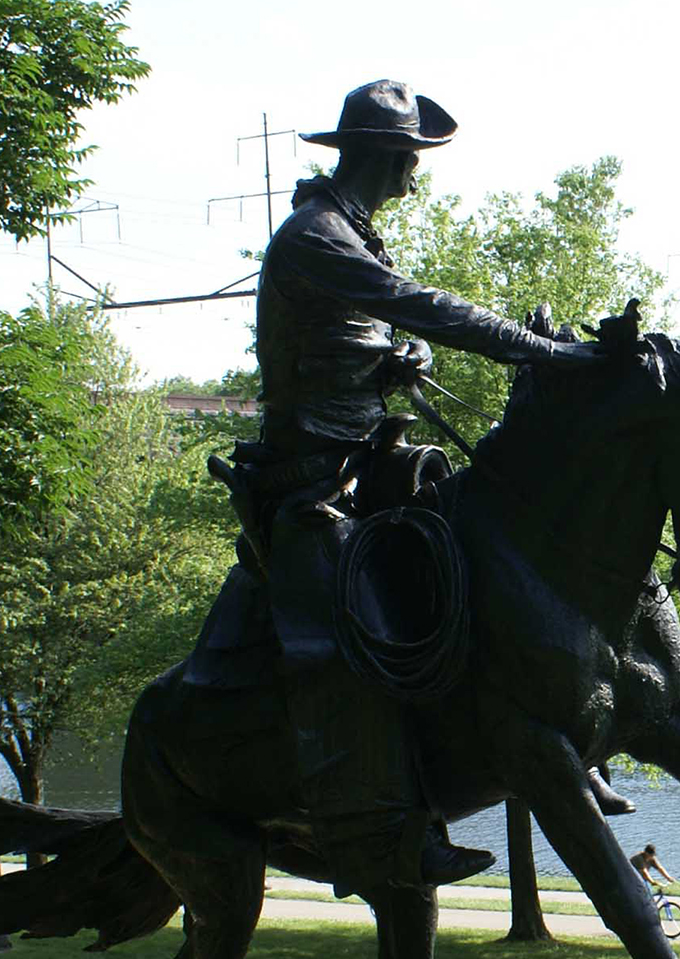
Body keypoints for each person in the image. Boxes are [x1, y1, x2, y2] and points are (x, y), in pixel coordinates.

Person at [231, 79, 605, 893]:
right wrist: (542, 352)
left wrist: (390, 363)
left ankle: (566, 738)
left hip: (370, 459)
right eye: (412, 160)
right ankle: (381, 818)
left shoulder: (354, 232)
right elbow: (413, 303)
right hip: (312, 483)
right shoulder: (314, 235)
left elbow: (356, 333)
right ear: (385, 155)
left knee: (482, 566)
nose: (416, 177)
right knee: (344, 644)